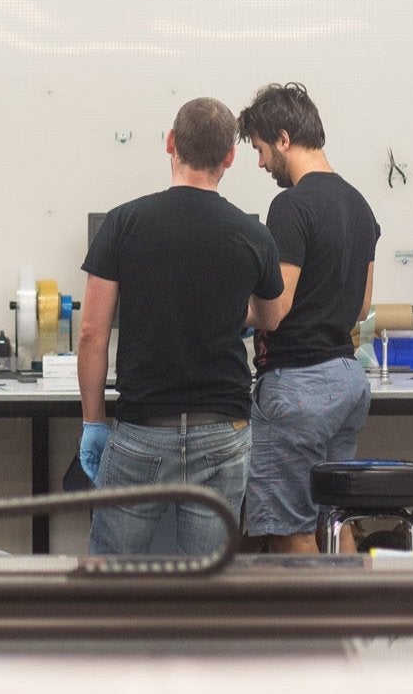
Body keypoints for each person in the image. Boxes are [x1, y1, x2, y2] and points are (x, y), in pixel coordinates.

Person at [77, 97, 286, 555]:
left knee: (109, 577)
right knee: (205, 585)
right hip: (223, 431)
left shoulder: (124, 223)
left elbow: (92, 332)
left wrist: (93, 421)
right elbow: (271, 317)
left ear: (170, 143)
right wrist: (227, 309)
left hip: (143, 430)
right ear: (230, 158)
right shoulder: (253, 235)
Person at [236, 82, 379, 553]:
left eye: (259, 149)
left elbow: (275, 312)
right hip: (347, 381)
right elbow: (361, 307)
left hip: (299, 389)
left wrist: (229, 308)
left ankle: (309, 629)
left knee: (288, 526)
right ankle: (352, 625)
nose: (260, 163)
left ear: (282, 138)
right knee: (334, 521)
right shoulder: (361, 206)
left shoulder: (291, 205)